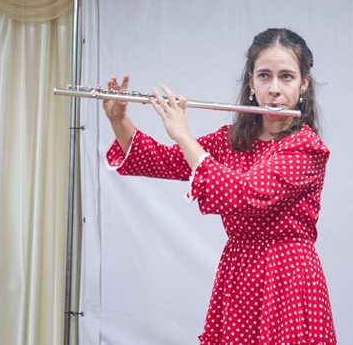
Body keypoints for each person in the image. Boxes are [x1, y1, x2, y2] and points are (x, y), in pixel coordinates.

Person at [103, 28, 336, 345]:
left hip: (287, 280)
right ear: (251, 82)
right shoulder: (232, 141)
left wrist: (183, 134)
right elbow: (163, 161)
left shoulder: (306, 147)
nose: (274, 89)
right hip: (239, 274)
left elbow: (247, 194)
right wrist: (119, 120)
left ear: (303, 84)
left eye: (286, 77)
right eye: (264, 76)